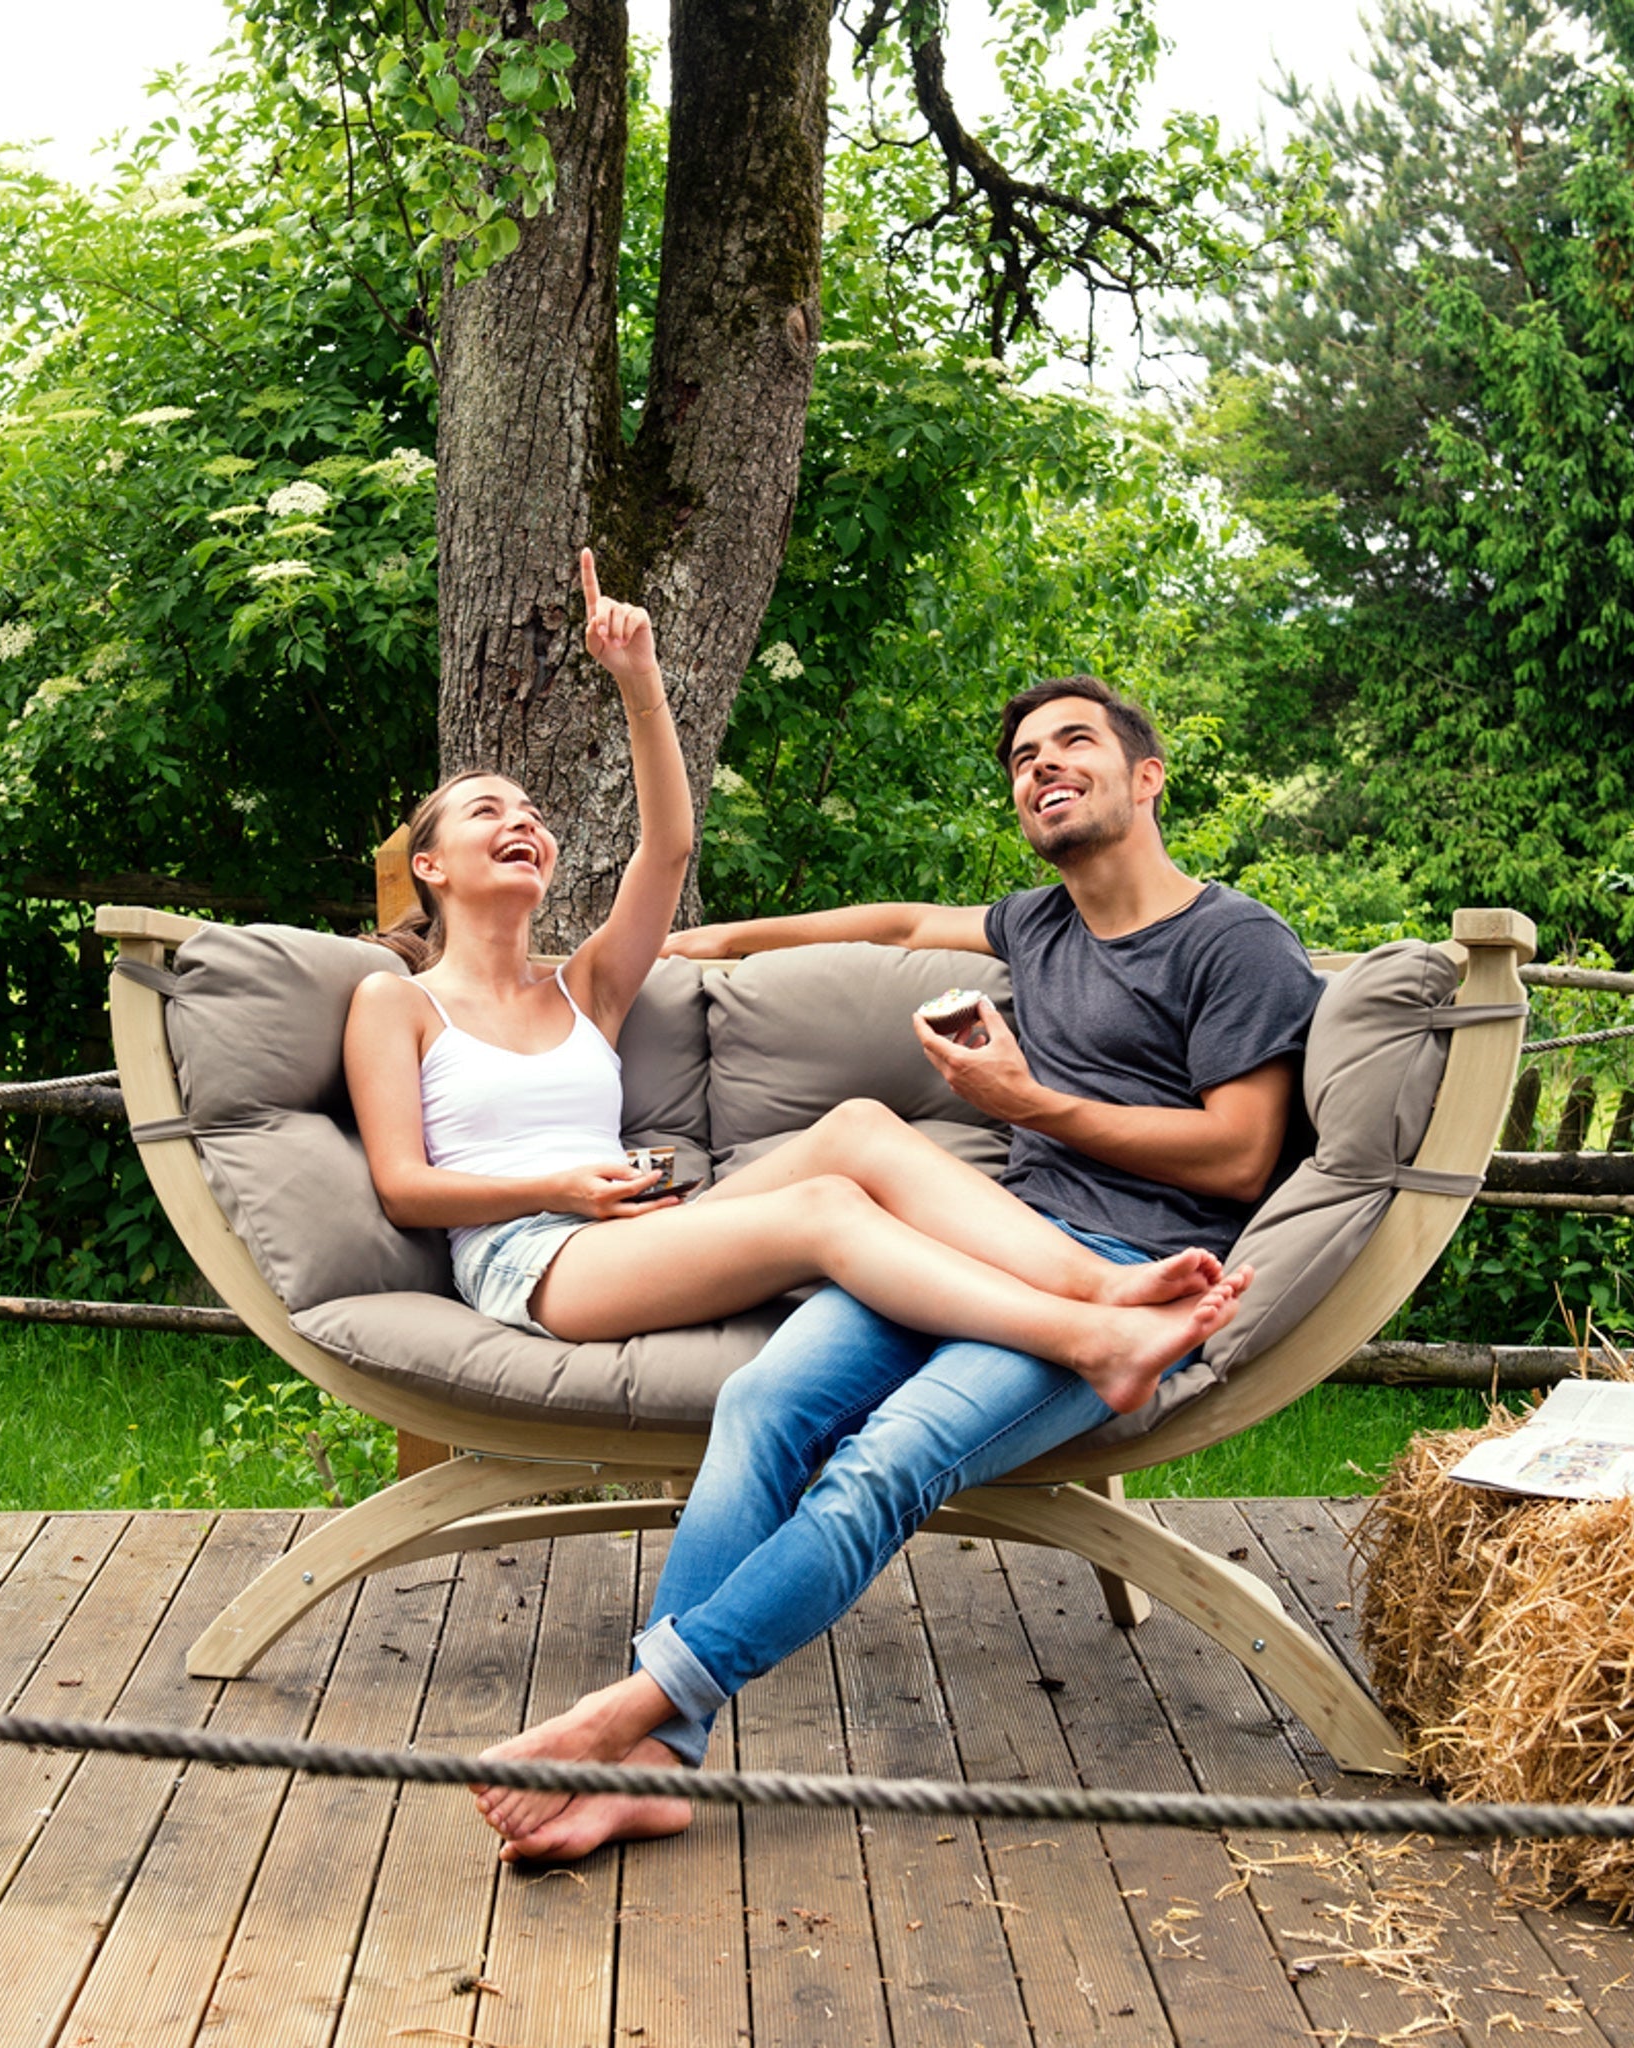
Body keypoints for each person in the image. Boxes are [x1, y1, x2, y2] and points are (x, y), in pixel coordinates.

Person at [470, 668, 1326, 1864]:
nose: (1039, 765)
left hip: (1134, 1259)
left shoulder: (1235, 942)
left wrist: (1033, 1100)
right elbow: (888, 923)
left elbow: (1238, 1157)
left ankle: (630, 1710)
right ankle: (663, 1766)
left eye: (1069, 742)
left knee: (883, 1463)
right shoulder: (1038, 923)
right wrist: (699, 945)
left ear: (1145, 775)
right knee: (760, 1401)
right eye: (1023, 756)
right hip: (981, 1234)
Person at [345, 555, 1248, 1428]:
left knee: (857, 1127)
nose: (523, 824)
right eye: (489, 811)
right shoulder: (398, 1002)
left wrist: (638, 678)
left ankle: (1100, 1282)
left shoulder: (586, 990)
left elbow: (666, 847)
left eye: (534, 816)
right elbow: (404, 1189)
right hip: (533, 1256)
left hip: (636, 1227)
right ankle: (1092, 1337)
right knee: (825, 1209)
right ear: (429, 865)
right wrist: (560, 1188)